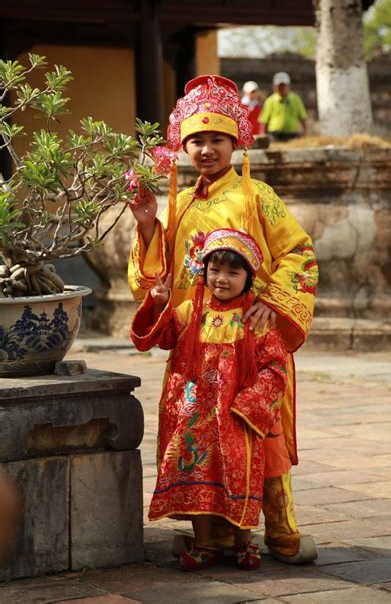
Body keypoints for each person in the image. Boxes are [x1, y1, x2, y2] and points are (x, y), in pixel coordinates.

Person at [128, 74, 318, 564]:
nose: (206, 149)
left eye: (216, 139)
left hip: (251, 336)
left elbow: (299, 252)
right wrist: (148, 225)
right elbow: (162, 278)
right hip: (196, 342)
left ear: (236, 141)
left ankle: (280, 529)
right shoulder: (183, 202)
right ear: (183, 146)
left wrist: (272, 301)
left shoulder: (259, 196)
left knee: (261, 430)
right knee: (199, 435)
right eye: (196, 140)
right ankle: (212, 532)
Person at [131, 229, 288, 572]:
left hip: (237, 416)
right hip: (193, 417)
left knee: (240, 472)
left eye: (234, 272)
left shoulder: (256, 321)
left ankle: (244, 541)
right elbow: (159, 338)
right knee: (192, 471)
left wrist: (249, 407)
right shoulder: (189, 311)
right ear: (203, 271)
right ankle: (203, 543)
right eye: (215, 270)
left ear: (249, 278)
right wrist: (159, 302)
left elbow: (275, 368)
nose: (222, 279)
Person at [259, 71, 308, 140]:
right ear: (275, 87)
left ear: (289, 85)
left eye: (284, 85)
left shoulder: (296, 99)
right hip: (274, 136)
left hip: (292, 136)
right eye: (279, 85)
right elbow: (264, 121)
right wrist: (263, 138)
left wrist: (305, 134)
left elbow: (303, 118)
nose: (281, 88)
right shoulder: (270, 101)